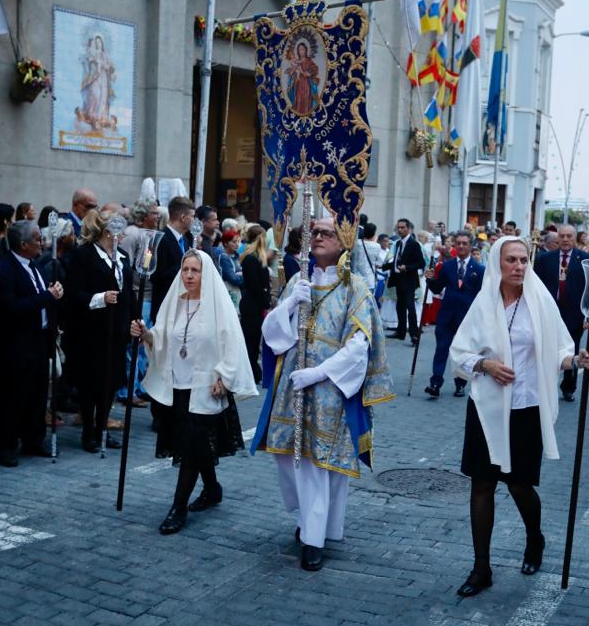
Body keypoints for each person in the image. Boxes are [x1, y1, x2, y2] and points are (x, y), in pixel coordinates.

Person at [450, 236, 589, 597]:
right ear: (496, 263)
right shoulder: (483, 304)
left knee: (519, 484)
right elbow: (459, 353)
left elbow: (562, 347)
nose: (518, 266)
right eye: (511, 260)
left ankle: (535, 538)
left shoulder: (540, 302)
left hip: (527, 406)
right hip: (487, 408)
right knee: (482, 485)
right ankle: (481, 567)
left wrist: (576, 361)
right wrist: (485, 364)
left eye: (523, 260)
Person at [251, 217, 395, 571]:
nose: (316, 238)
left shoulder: (355, 288)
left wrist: (320, 372)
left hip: (330, 389)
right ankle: (308, 519)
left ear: (344, 240)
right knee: (287, 458)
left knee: (318, 463)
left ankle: (313, 539)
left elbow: (360, 344)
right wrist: (287, 306)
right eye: (313, 232)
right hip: (293, 386)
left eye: (325, 233)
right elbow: (271, 333)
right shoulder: (299, 282)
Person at [132, 251, 257, 533]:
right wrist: (145, 334)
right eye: (185, 269)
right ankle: (212, 489)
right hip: (178, 386)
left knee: (191, 447)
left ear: (206, 274)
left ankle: (178, 509)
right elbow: (162, 337)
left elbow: (232, 342)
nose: (188, 275)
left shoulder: (217, 304)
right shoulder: (175, 302)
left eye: (195, 271)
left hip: (206, 387)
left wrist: (225, 377)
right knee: (195, 446)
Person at [0, 220, 64, 466]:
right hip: (15, 343)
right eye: (36, 239)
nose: (41, 243)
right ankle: (5, 445)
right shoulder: (7, 269)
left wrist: (52, 294)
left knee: (36, 391)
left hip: (38, 339)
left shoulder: (34, 265)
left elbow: (41, 296)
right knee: (12, 395)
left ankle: (33, 438)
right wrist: (46, 296)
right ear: (23, 244)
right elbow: (10, 307)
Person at [64, 209, 134, 452]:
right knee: (90, 383)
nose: (124, 235)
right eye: (120, 230)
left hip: (117, 330)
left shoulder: (122, 256)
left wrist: (134, 319)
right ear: (108, 232)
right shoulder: (84, 256)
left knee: (110, 383)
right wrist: (101, 298)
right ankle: (88, 433)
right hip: (91, 331)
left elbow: (129, 294)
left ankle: (102, 428)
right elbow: (74, 293)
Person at [425, 231, 483, 398]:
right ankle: (435, 383)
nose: (461, 246)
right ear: (454, 245)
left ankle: (460, 384)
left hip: (466, 318)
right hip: (446, 315)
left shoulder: (478, 269)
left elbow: (482, 295)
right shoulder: (447, 266)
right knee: (441, 349)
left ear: (470, 246)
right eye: (458, 243)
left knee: (463, 352)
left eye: (464, 243)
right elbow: (437, 288)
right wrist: (430, 279)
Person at [533, 225, 588, 401]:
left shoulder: (585, 259)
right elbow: (535, 286)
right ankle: (545, 384)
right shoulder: (544, 259)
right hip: (549, 312)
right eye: (562, 236)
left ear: (575, 238)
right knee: (547, 348)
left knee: (571, 349)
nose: (565, 239)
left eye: (569, 236)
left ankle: (568, 387)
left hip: (574, 313)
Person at [116, 200, 160, 407]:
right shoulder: (133, 234)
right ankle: (127, 390)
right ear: (143, 215)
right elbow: (126, 266)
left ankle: (139, 386)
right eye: (153, 213)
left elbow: (146, 261)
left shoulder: (147, 235)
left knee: (143, 346)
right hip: (137, 296)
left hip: (147, 296)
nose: (157, 216)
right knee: (134, 345)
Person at [151, 196, 193, 324]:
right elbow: (155, 275)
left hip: (182, 305)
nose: (193, 220)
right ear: (183, 217)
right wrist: (183, 266)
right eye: (192, 216)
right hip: (165, 305)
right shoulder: (161, 239)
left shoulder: (185, 240)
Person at [383, 218, 424, 342]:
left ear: (409, 229)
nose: (400, 230)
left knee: (410, 307)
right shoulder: (399, 243)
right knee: (400, 306)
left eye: (402, 228)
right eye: (398, 228)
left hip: (409, 280)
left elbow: (420, 263)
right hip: (399, 280)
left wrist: (407, 267)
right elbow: (397, 261)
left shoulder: (414, 244)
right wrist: (384, 266)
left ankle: (414, 334)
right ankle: (400, 332)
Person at [240, 224, 272, 383]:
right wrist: (266, 301)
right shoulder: (252, 258)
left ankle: (252, 370)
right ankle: (251, 371)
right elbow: (255, 285)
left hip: (254, 303)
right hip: (252, 304)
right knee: (251, 340)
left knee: (253, 339)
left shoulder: (254, 257)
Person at [218, 229, 243, 310]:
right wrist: (243, 275)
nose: (237, 244)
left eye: (238, 241)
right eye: (233, 242)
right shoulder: (224, 257)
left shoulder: (237, 256)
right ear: (225, 243)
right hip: (229, 292)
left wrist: (240, 274)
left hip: (237, 292)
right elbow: (233, 279)